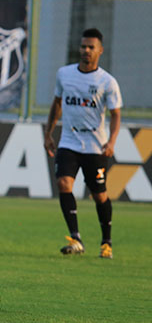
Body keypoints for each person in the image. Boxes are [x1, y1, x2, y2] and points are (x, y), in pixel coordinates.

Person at [43, 28, 122, 259]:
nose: (86, 51)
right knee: (64, 184)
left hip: (96, 145)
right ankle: (75, 238)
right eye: (83, 46)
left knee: (99, 195)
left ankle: (106, 241)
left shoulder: (107, 81)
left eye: (91, 47)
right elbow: (57, 103)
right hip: (69, 140)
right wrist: (49, 133)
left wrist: (112, 141)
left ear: (100, 51)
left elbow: (116, 114)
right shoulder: (64, 74)